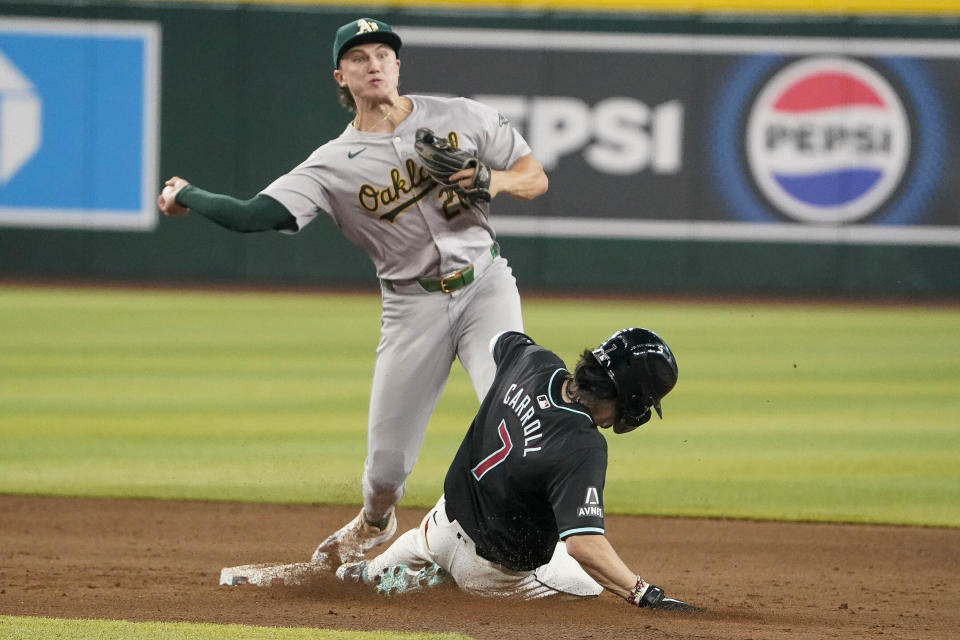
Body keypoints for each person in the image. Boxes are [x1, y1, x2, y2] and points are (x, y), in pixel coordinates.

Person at [156, 17, 548, 569]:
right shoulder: (331, 164)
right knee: (386, 468)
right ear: (340, 76)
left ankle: (527, 537)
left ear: (398, 65)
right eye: (359, 57)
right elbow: (253, 216)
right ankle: (374, 521)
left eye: (384, 54)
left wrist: (493, 180)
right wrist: (187, 192)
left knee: (510, 406)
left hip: (485, 284)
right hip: (411, 307)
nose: (374, 64)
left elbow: (534, 174)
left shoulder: (459, 114)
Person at [337, 327, 699, 610]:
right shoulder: (583, 445)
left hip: (438, 526)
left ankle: (369, 573)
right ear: (632, 399)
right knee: (588, 586)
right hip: (489, 574)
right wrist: (644, 593)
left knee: (384, 566)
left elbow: (499, 339)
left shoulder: (534, 360)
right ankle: (429, 583)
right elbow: (584, 546)